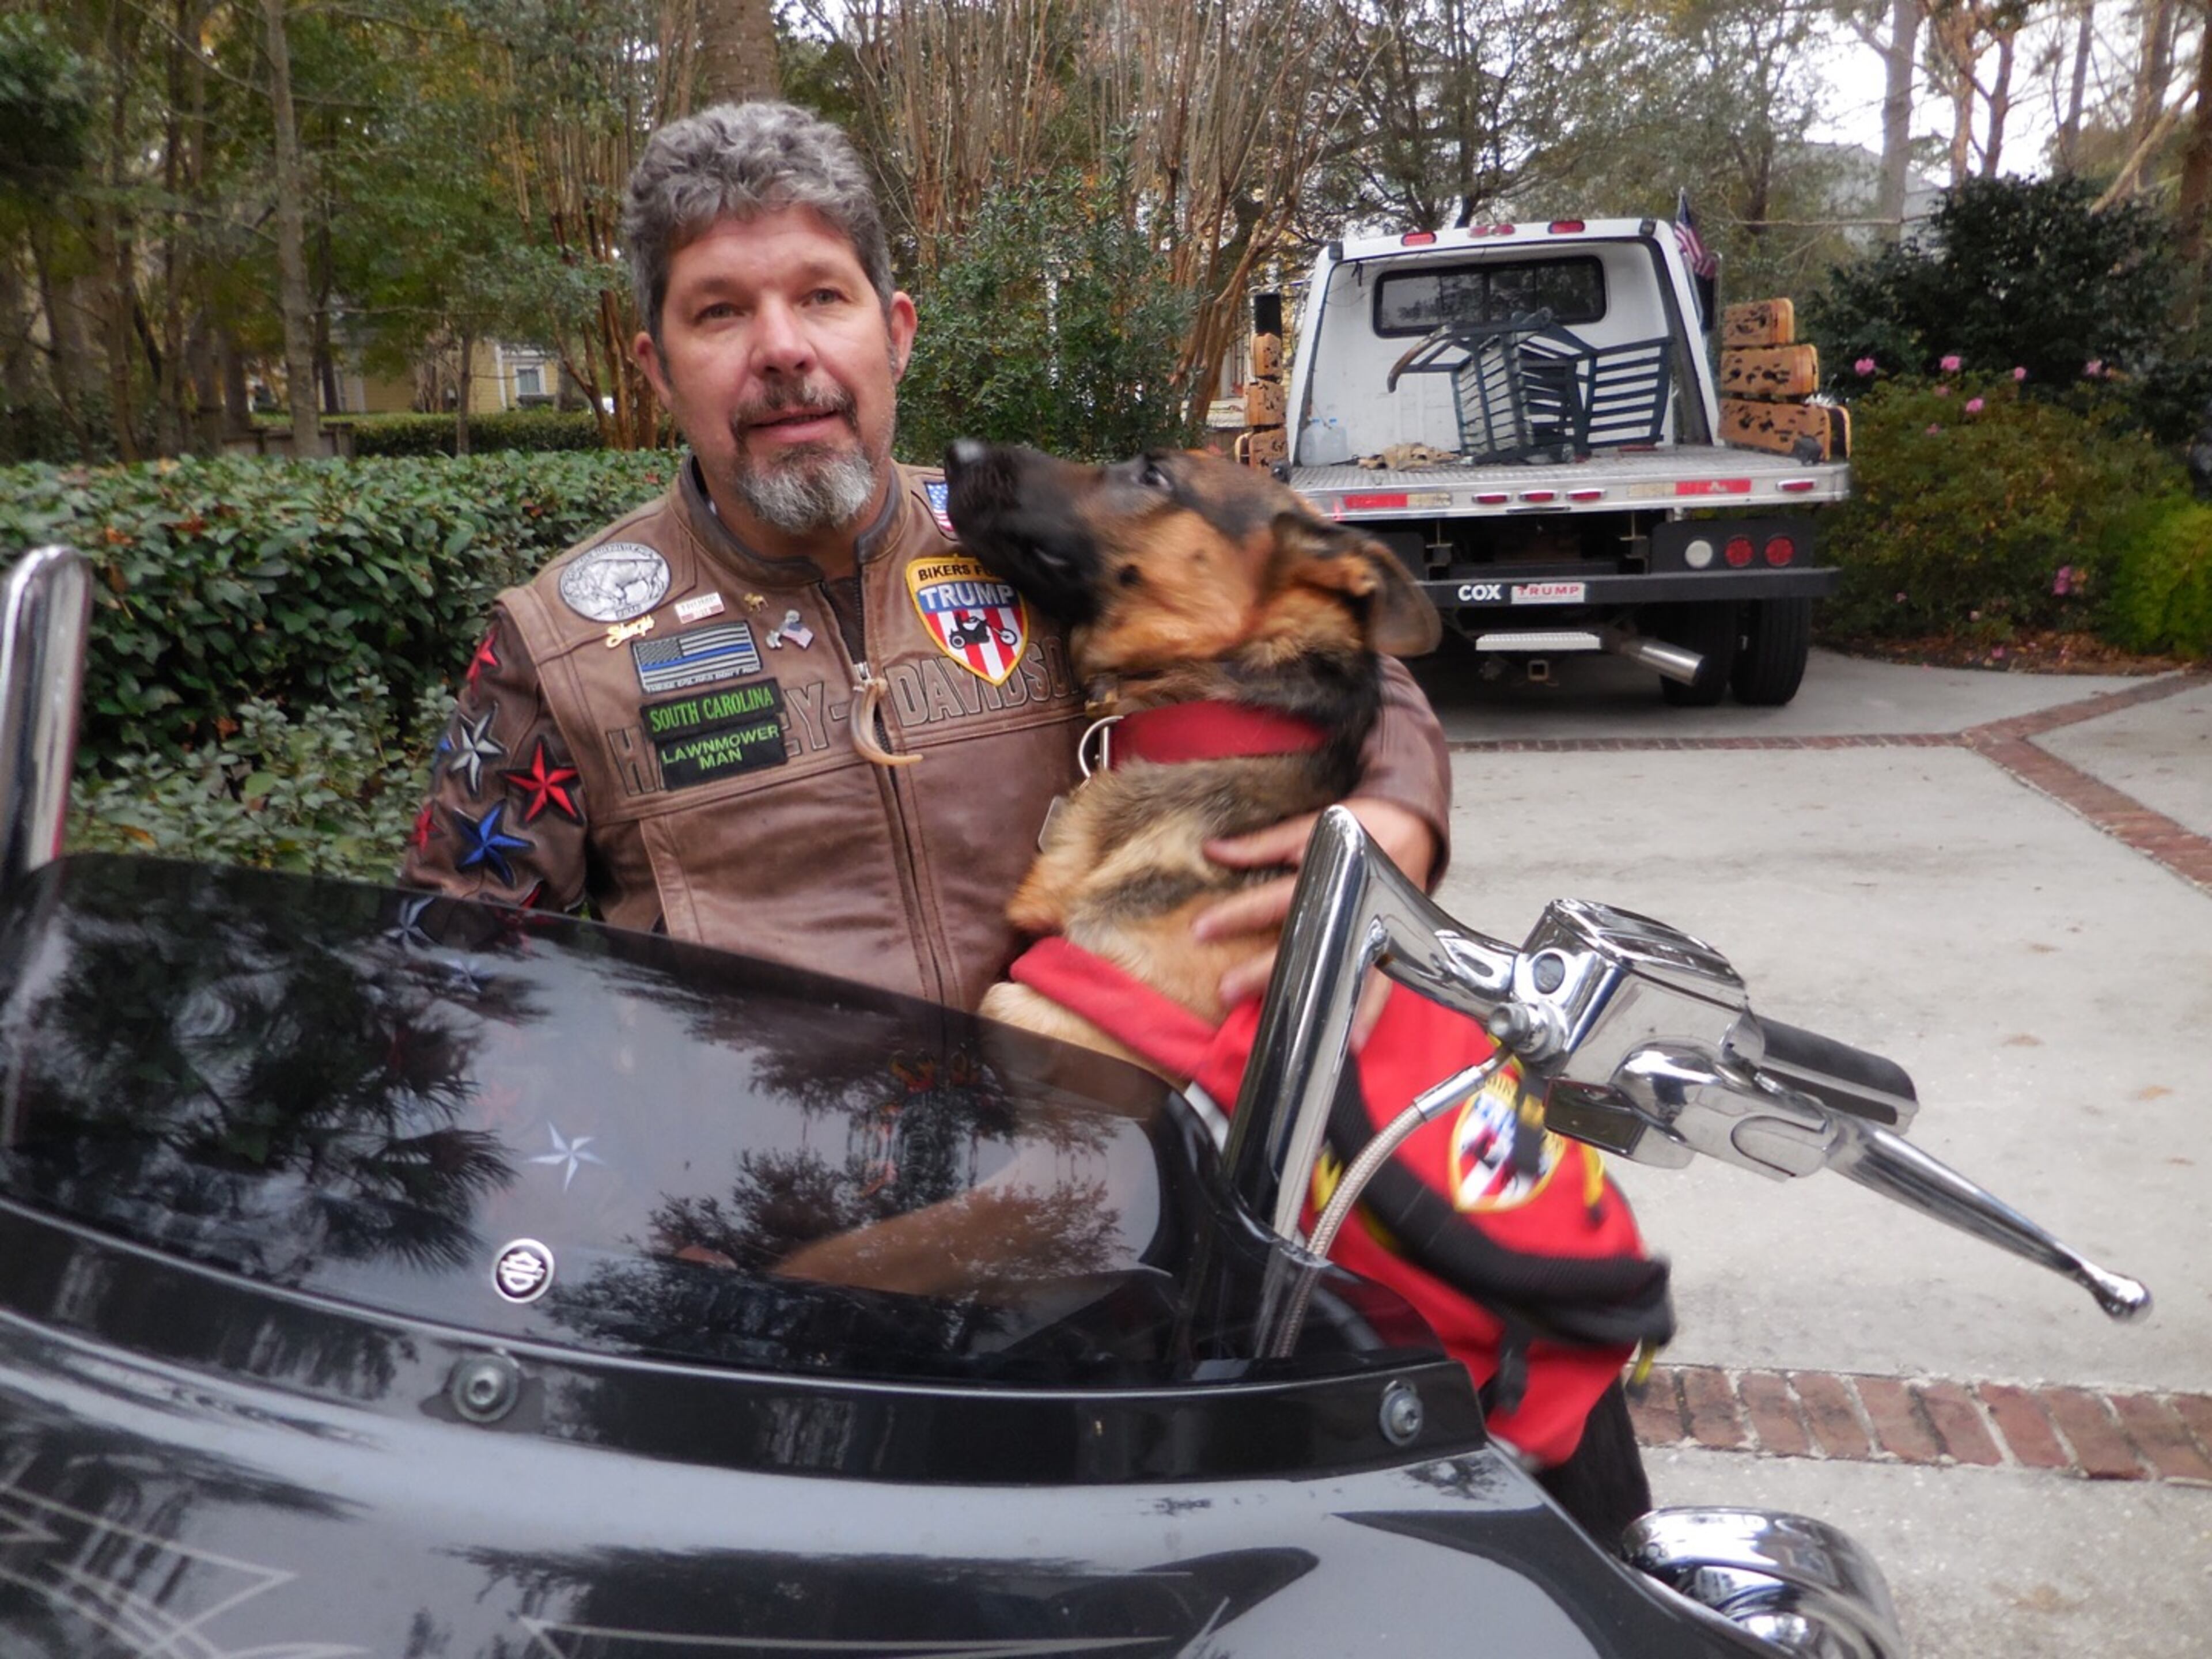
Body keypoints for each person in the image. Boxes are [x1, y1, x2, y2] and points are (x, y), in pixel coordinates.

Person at [402, 101, 1449, 1012]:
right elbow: (450, 973)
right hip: (760, 1219)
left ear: (895, 333)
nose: (781, 349)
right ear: (659, 371)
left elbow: (1313, 639)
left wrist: (1400, 803)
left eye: (822, 295)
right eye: (720, 311)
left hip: (1095, 1183)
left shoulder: (1018, 541)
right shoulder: (563, 644)